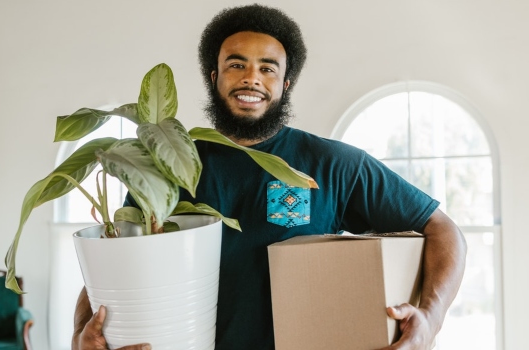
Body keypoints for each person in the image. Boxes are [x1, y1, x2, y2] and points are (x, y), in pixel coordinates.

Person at [73, 4, 466, 350]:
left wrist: (430, 321)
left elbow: (443, 230)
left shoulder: (334, 164)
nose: (251, 78)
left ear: (285, 84)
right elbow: (114, 259)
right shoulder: (167, 165)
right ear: (214, 77)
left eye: (267, 68)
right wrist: (80, 336)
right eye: (236, 64)